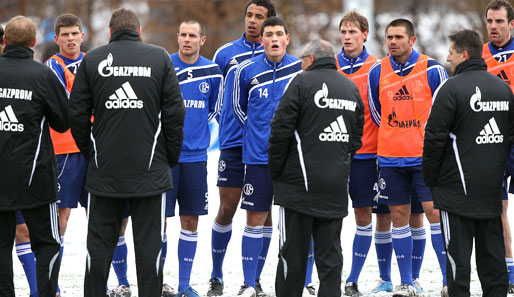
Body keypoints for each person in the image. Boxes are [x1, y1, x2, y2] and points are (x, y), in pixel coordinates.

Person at [68, 8, 185, 297]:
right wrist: (169, 158)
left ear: (110, 32)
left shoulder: (93, 58)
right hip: (151, 173)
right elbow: (175, 113)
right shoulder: (159, 57)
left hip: (105, 172)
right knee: (150, 252)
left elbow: (76, 114)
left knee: (98, 250)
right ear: (139, 31)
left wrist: (91, 151)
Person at [44, 14, 132, 297]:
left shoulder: (95, 61)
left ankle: (117, 283)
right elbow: (69, 103)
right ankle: (52, 285)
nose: (71, 39)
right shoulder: (52, 67)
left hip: (96, 149)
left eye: (75, 34)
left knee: (107, 217)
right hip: (65, 151)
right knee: (60, 218)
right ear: (56, 39)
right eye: (65, 34)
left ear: (83, 36)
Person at [423, 28, 514, 297]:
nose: (447, 58)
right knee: (493, 261)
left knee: (457, 265)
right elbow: (511, 139)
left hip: (455, 193)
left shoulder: (449, 89)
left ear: (463, 54)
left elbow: (434, 138)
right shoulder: (503, 89)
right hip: (490, 190)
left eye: (450, 53)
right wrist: (502, 172)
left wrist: (431, 179)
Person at [270, 38, 363, 297]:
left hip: (298, 189)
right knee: (331, 260)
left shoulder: (300, 83)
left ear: (309, 59)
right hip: (334, 189)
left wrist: (276, 174)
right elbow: (355, 140)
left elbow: (279, 132)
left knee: (293, 257)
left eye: (301, 59)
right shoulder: (350, 88)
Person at [368, 18, 448, 296]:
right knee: (398, 216)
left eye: (398, 37)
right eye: (389, 37)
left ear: (412, 40)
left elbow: (444, 113)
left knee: (434, 214)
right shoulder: (377, 71)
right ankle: (406, 282)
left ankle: (449, 281)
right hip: (390, 157)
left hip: (425, 158)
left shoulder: (434, 69)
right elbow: (378, 114)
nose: (392, 41)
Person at [208, 1, 279, 296]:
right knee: (227, 207)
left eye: (259, 17)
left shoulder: (279, 55)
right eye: (249, 15)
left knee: (264, 213)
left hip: (264, 148)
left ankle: (255, 279)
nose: (252, 21)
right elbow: (215, 96)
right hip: (234, 144)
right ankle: (215, 275)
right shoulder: (225, 54)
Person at [232, 16, 301, 297]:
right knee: (256, 218)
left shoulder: (300, 69)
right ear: (260, 41)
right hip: (258, 158)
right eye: (268, 34)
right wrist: (258, 134)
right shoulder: (245, 70)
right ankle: (251, 283)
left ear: (287, 39)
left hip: (293, 161)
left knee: (298, 220)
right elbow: (238, 109)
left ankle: (304, 282)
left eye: (278, 34)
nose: (273, 39)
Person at [0, 15, 68, 297]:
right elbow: (63, 122)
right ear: (34, 41)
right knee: (48, 244)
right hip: (36, 180)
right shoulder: (43, 75)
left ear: (4, 41)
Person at [161, 19, 223, 297]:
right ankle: (158, 282)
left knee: (190, 221)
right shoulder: (165, 66)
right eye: (183, 34)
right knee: (158, 221)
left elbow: (213, 111)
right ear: (177, 37)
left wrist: (196, 136)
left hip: (196, 159)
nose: (187, 39)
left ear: (202, 40)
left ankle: (185, 284)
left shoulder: (212, 71)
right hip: (165, 159)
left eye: (192, 35)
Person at [335, 10, 393, 296]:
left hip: (367, 155)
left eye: (352, 32)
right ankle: (314, 278)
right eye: (343, 32)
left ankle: (354, 279)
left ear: (364, 35)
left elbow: (383, 111)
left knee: (365, 215)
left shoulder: (378, 67)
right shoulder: (329, 66)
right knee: (324, 216)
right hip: (331, 157)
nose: (347, 37)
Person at [483, 0, 514, 292]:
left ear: (511, 24)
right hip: (492, 140)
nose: (494, 26)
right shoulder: (479, 56)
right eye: (490, 21)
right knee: (498, 206)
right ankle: (509, 274)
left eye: (499, 21)